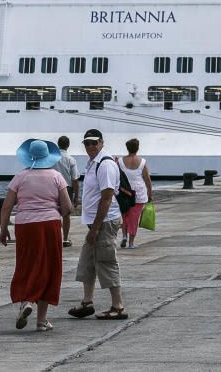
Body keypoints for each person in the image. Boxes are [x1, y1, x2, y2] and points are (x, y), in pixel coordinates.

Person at [0, 139, 72, 331]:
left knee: (27, 264)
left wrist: (3, 228)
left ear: (29, 156)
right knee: (49, 267)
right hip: (49, 225)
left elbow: (7, 206)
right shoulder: (56, 177)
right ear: (48, 156)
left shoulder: (20, 177)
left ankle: (27, 301)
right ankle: (41, 321)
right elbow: (67, 207)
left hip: (25, 226)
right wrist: (55, 211)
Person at [68, 129, 127, 320]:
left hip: (104, 222)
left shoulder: (106, 164)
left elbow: (107, 198)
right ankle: (87, 302)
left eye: (94, 142)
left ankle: (118, 306)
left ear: (101, 142)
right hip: (94, 223)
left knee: (106, 261)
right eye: (87, 143)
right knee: (87, 263)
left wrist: (95, 228)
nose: (90, 146)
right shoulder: (93, 163)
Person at [118, 138, 152, 249]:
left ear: (127, 148)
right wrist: (150, 193)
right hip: (139, 193)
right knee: (134, 218)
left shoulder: (120, 161)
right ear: (137, 148)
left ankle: (124, 236)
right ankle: (131, 243)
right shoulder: (142, 162)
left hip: (124, 192)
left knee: (125, 216)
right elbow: (147, 179)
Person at [54, 135, 80, 247]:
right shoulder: (71, 159)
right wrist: (76, 196)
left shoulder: (52, 158)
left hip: (52, 188)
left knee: (53, 213)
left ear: (58, 144)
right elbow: (75, 179)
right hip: (66, 189)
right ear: (68, 145)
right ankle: (65, 238)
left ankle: (55, 237)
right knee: (66, 215)